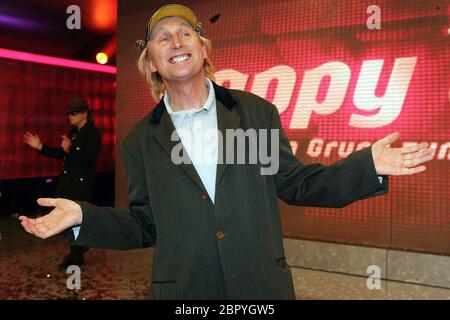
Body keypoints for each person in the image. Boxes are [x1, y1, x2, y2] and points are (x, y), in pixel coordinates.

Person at [19, 4, 434, 299]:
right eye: (163, 37)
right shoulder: (140, 140)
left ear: (203, 49)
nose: (176, 41)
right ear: (152, 63)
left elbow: (295, 184)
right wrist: (83, 218)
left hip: (259, 286)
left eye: (186, 33)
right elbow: (146, 224)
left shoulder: (255, 112)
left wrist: (367, 166)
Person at [23, 98, 101, 270]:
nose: (70, 116)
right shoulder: (74, 133)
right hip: (68, 183)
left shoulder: (92, 134)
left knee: (73, 219)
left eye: (73, 113)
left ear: (84, 113)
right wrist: (41, 147)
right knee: (66, 218)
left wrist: (70, 149)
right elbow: (62, 154)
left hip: (81, 185)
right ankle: (79, 248)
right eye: (68, 113)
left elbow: (88, 160)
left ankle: (77, 253)